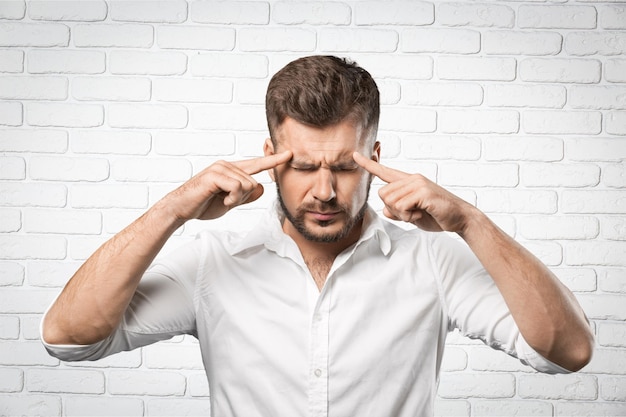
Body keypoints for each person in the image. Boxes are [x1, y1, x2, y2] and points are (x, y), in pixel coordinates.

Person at [41, 55, 594, 416]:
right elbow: (69, 338)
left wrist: (470, 222)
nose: (325, 191)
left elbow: (568, 351)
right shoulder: (215, 260)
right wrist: (173, 210)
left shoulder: (432, 261)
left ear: (376, 159)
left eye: (346, 168)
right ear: (269, 160)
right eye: (303, 166)